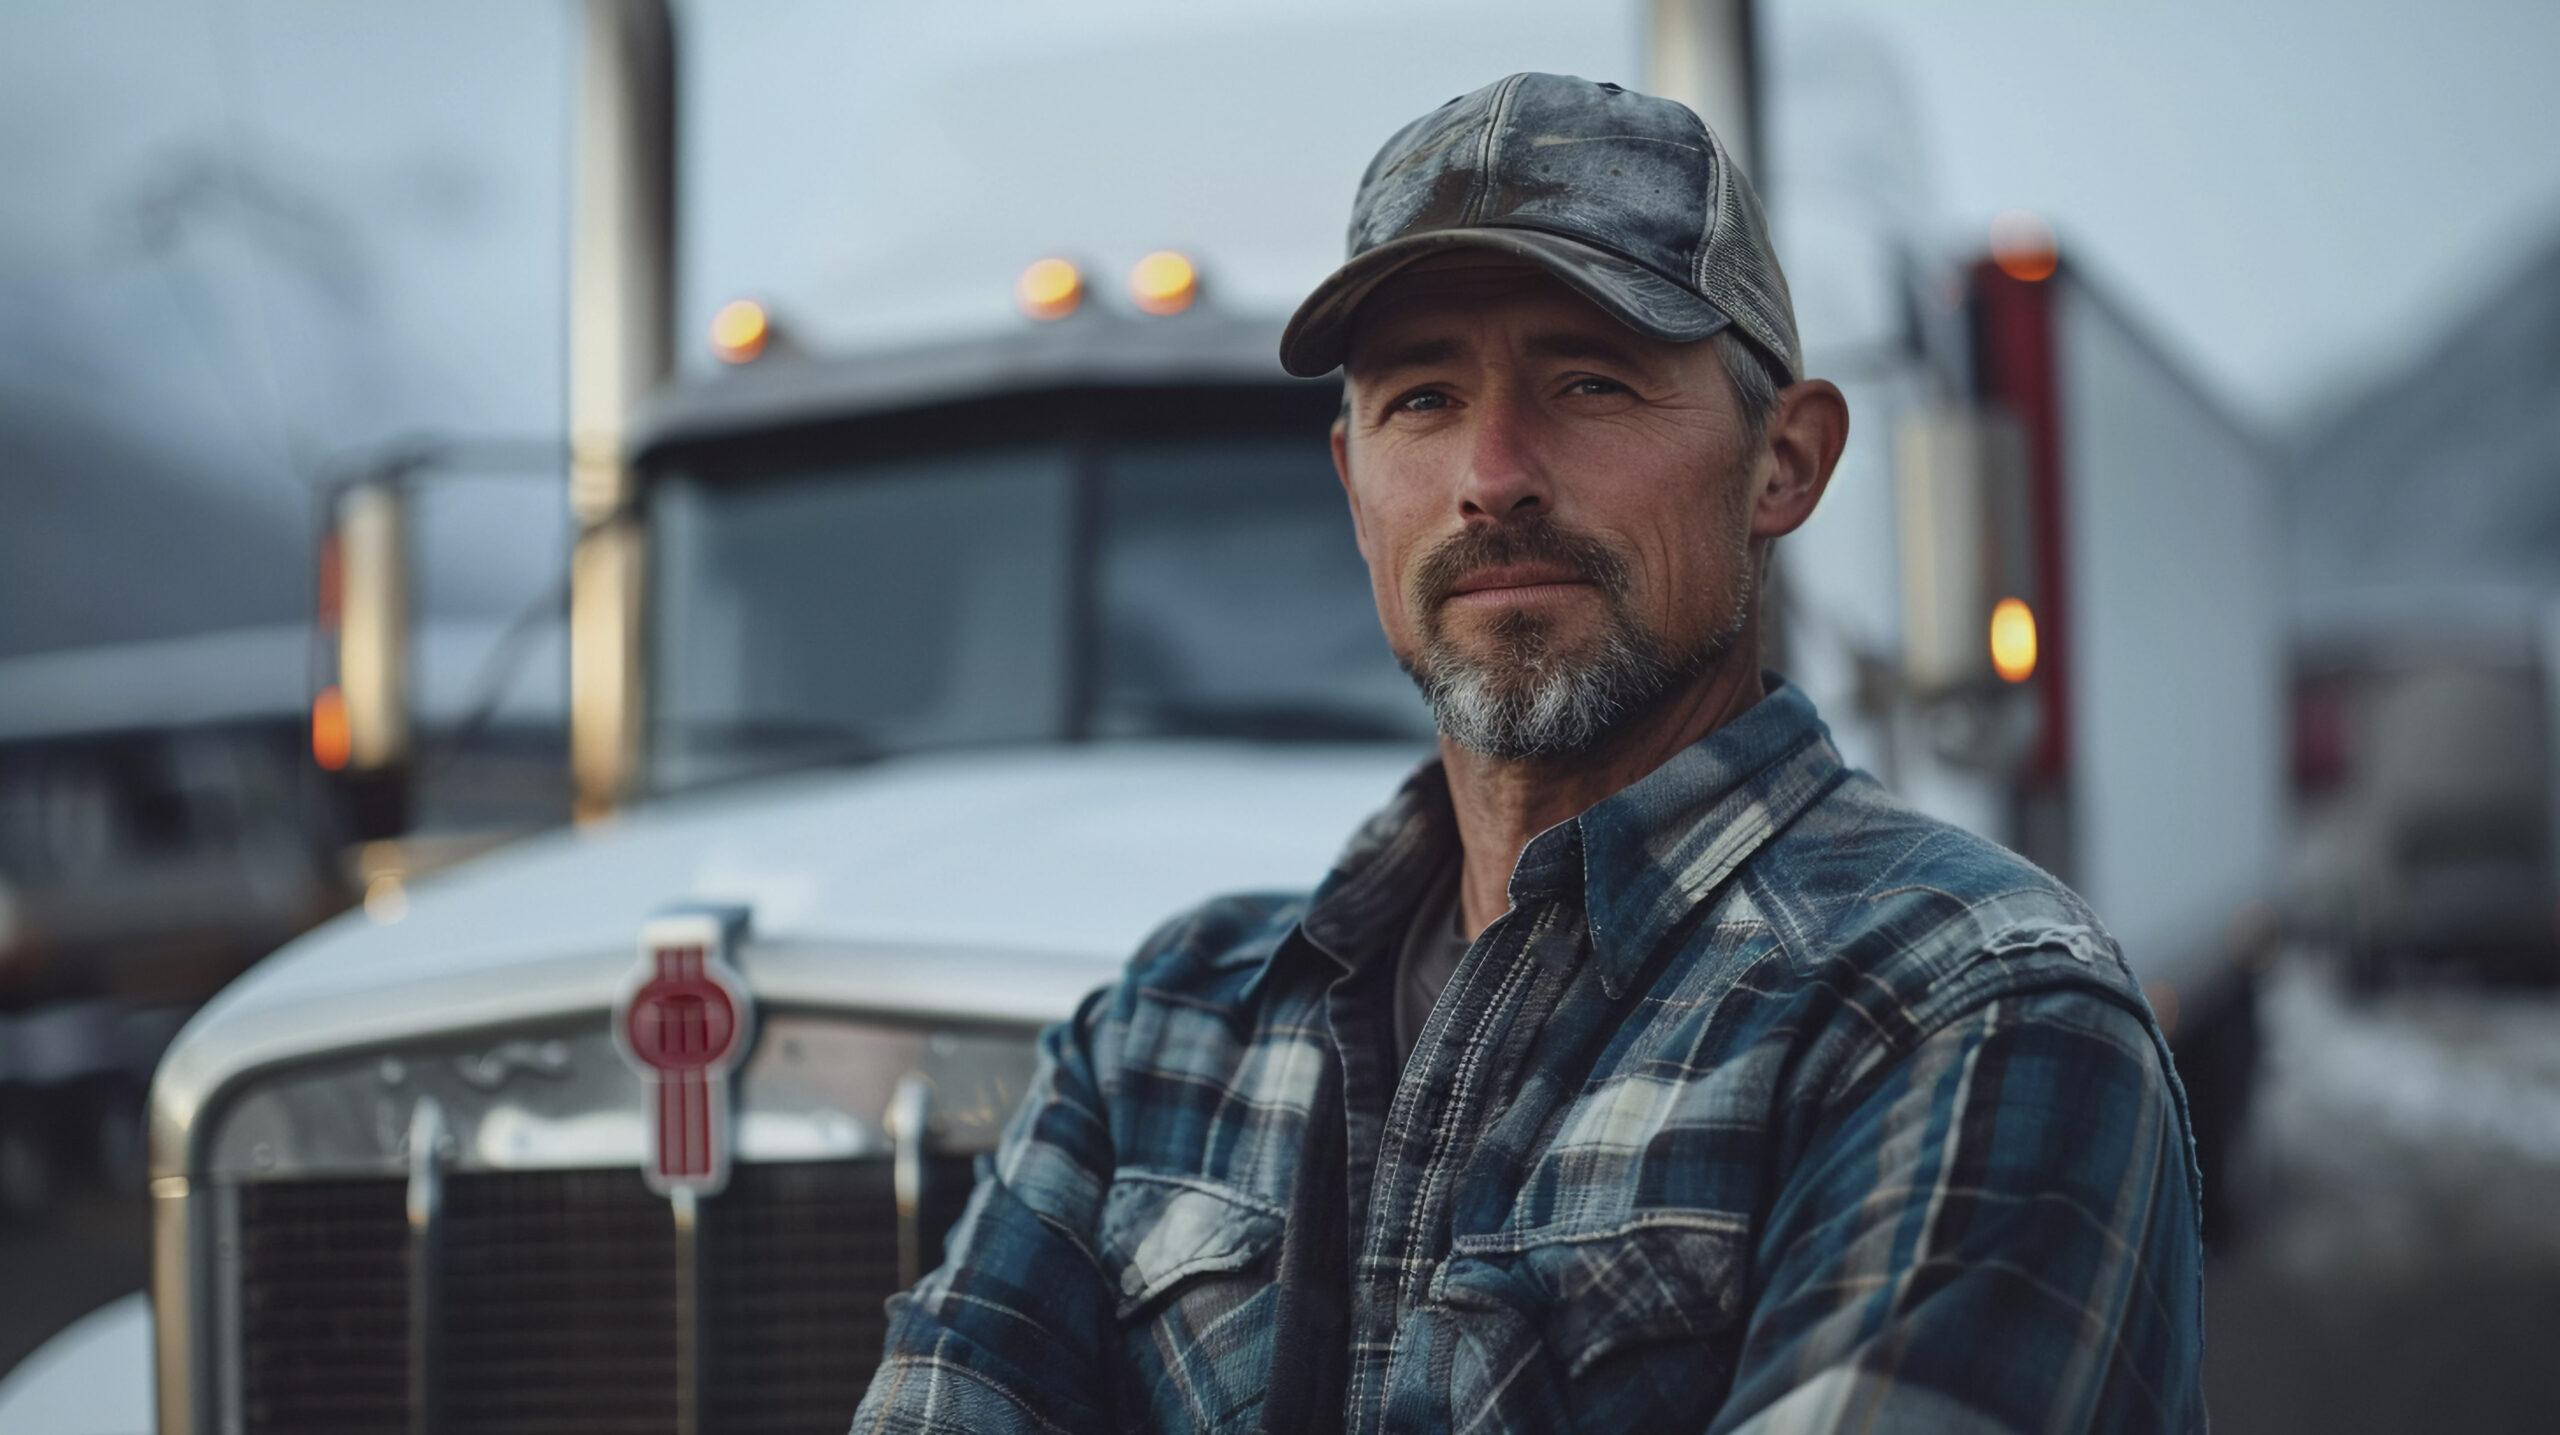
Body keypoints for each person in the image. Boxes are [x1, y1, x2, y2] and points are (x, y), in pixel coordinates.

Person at [855, 72, 2202, 1435]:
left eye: (1589, 380)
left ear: (1784, 463)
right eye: (1424, 399)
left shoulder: (1964, 1010)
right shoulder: (1164, 1031)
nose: (1492, 473)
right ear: (1354, 484)